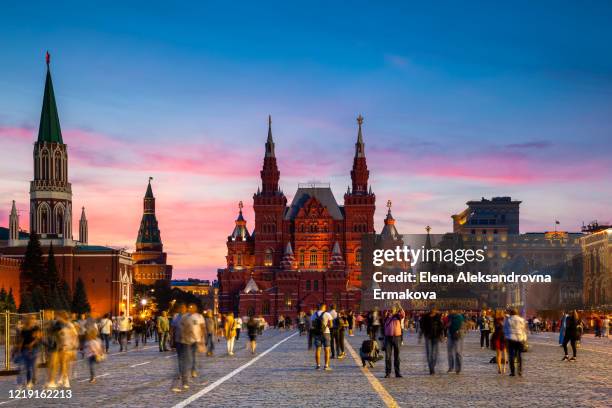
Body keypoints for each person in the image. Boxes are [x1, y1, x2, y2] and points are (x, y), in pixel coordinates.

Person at [16, 315, 41, 389]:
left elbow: (38, 337)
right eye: (30, 318)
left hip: (34, 349)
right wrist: (19, 349)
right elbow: (21, 340)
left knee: (33, 367)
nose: (31, 320)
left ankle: (34, 379)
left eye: (33, 318)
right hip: (25, 349)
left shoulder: (36, 328)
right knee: (27, 367)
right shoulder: (24, 329)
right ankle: (28, 381)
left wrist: (31, 344)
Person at [419, 306, 444, 375]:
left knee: (435, 354)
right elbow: (422, 326)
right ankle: (431, 369)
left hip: (436, 337)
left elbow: (441, 326)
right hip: (428, 337)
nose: (433, 310)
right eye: (432, 309)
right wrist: (421, 335)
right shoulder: (425, 317)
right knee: (429, 354)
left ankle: (432, 366)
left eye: (434, 309)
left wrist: (441, 335)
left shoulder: (438, 317)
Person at [383, 304, 405, 378]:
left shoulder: (398, 316)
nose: (392, 310)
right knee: (388, 356)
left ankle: (397, 372)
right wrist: (387, 313)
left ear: (396, 309)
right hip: (388, 338)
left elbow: (403, 315)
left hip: (397, 337)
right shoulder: (386, 316)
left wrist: (400, 307)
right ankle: (388, 372)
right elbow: (383, 316)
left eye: (393, 308)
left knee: (397, 356)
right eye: (391, 309)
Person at [504, 308, 527, 377]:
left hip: (510, 338)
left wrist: (506, 336)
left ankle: (512, 372)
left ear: (511, 313)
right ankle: (519, 371)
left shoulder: (508, 320)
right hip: (519, 338)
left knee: (511, 355)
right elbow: (523, 329)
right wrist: (524, 338)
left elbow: (505, 329)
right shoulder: (521, 320)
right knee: (519, 355)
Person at [311, 303, 333, 370]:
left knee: (318, 349)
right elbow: (331, 325)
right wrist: (326, 326)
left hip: (317, 333)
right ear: (324, 307)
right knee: (327, 350)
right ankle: (326, 366)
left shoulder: (314, 314)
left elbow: (313, 325)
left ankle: (318, 365)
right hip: (326, 333)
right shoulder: (327, 314)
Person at [490, 310, 507, 374]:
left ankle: (504, 367)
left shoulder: (504, 320)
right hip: (498, 337)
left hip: (502, 337)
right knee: (499, 353)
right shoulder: (496, 319)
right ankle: (500, 368)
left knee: (503, 353)